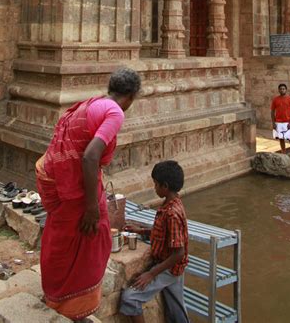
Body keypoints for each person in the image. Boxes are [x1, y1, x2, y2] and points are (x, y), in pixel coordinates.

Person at [36, 67, 141, 322]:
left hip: (54, 172)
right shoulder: (114, 111)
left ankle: (55, 296)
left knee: (61, 238)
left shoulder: (93, 104)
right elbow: (90, 155)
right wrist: (92, 206)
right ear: (130, 96)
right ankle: (74, 307)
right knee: (95, 236)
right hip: (73, 182)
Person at [120, 160, 190, 323]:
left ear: (164, 186)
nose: (154, 188)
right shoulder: (171, 204)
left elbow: (178, 253)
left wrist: (151, 274)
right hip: (171, 265)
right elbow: (165, 234)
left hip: (170, 267)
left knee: (130, 297)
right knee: (176, 308)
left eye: (156, 184)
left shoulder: (172, 213)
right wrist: (142, 231)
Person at [271, 83, 290, 160]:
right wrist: (273, 123)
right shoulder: (275, 99)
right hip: (278, 122)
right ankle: (284, 155)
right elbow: (272, 111)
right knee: (281, 139)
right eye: (281, 89)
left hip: (287, 122)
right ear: (279, 90)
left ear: (286, 90)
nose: (282, 90)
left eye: (283, 89)